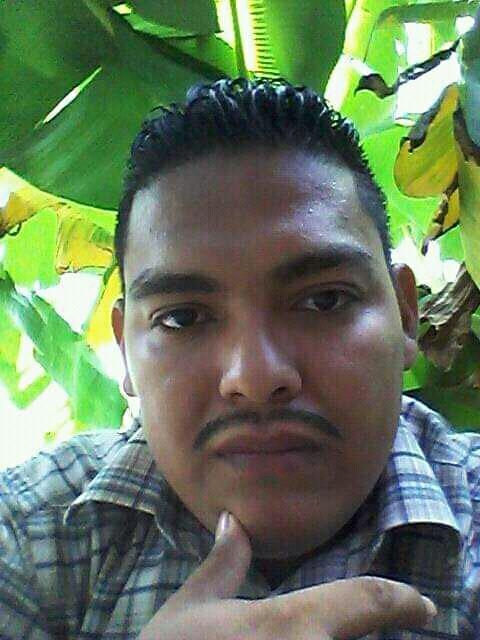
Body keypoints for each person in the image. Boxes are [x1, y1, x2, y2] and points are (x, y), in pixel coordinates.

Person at [0, 78, 478, 640]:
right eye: (183, 318)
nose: (254, 377)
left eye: (325, 300)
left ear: (405, 315)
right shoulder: (28, 542)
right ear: (126, 349)